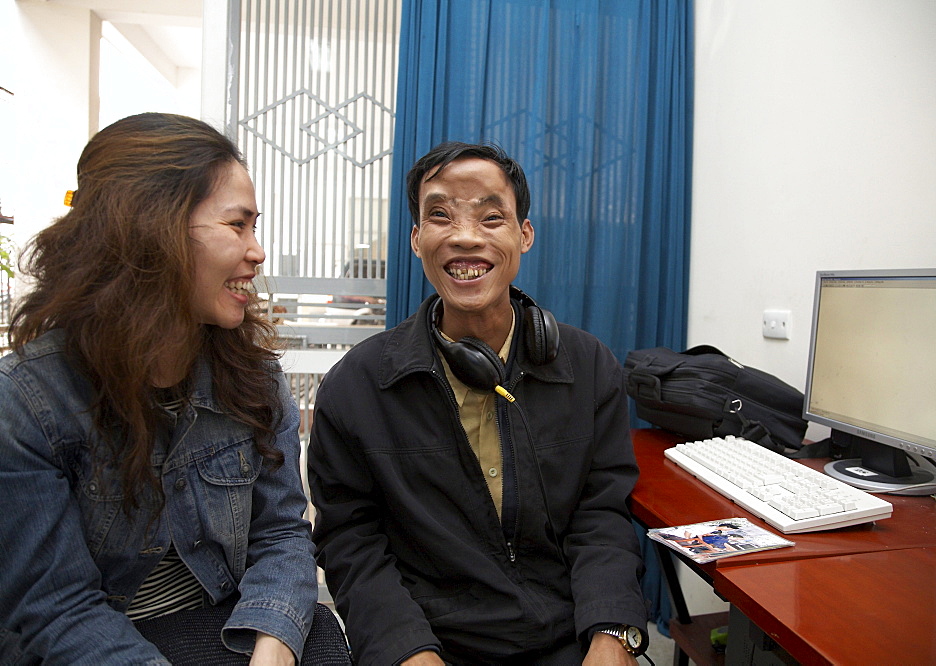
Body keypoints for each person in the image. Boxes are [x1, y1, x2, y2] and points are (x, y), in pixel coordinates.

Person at [0, 113, 328, 664]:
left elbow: (282, 534)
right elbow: (55, 609)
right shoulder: (27, 403)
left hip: (224, 631)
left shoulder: (253, 378)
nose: (258, 251)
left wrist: (274, 641)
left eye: (255, 225)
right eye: (237, 225)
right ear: (153, 229)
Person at [308, 141, 649, 665]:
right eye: (440, 215)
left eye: (492, 217)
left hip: (569, 635)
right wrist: (406, 650)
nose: (466, 237)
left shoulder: (589, 366)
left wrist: (611, 631)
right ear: (417, 240)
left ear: (524, 235)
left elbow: (600, 513)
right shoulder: (355, 387)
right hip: (431, 644)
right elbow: (351, 543)